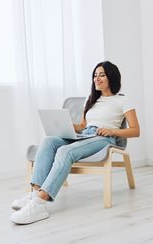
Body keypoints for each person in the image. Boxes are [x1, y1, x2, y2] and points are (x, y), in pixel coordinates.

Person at [10, 61, 140, 224]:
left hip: (103, 138)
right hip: (86, 135)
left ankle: (39, 204)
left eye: (101, 75)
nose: (96, 79)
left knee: (65, 152)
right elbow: (83, 126)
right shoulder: (92, 99)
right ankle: (35, 193)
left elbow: (135, 130)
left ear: (111, 77)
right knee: (49, 141)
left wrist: (112, 131)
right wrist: (68, 126)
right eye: (95, 75)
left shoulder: (123, 100)